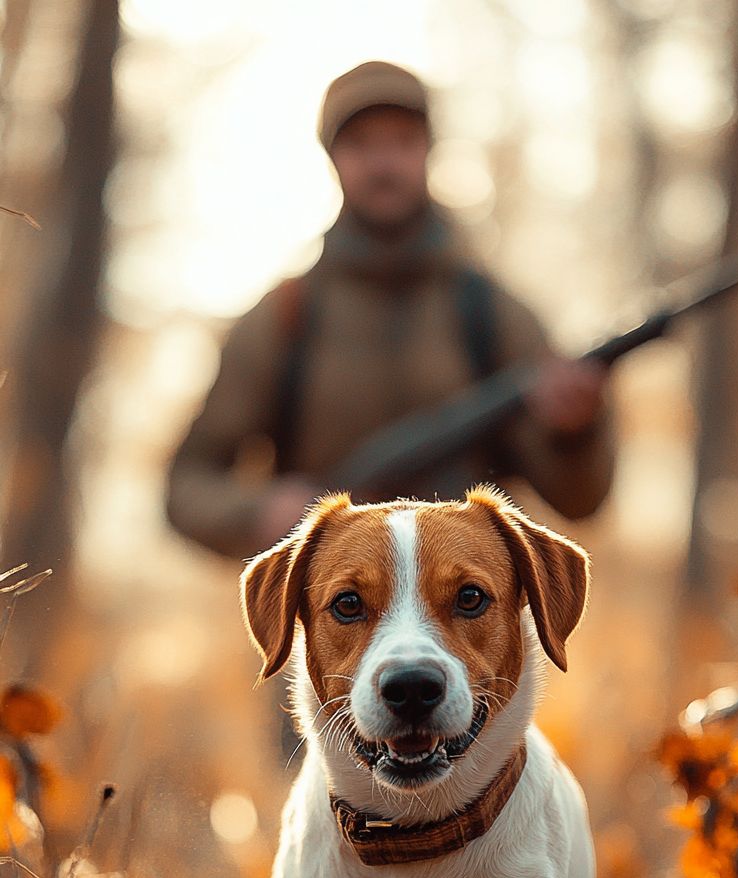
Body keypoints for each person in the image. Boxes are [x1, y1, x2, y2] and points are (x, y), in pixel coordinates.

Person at [166, 60, 613, 559]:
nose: (384, 163)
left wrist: (577, 430)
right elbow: (186, 488)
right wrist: (261, 511)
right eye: (361, 144)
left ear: (428, 149)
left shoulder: (493, 315)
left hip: (468, 617)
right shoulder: (283, 319)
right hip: (334, 618)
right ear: (332, 157)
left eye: (402, 140)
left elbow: (581, 501)